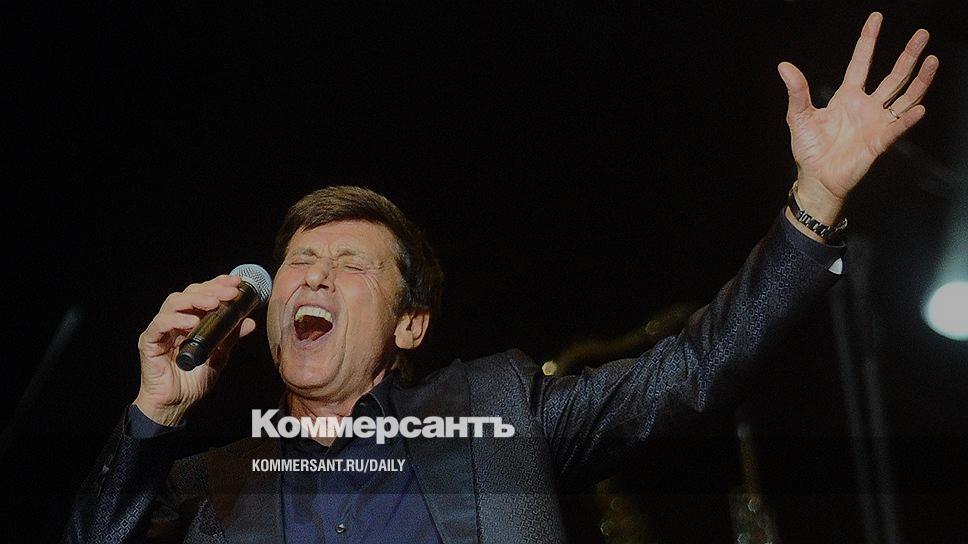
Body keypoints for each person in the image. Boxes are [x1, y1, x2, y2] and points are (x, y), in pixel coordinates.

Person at [63, 12, 938, 544]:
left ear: (411, 322)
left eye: (348, 265)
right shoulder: (213, 482)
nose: (312, 279)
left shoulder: (501, 412)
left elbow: (692, 372)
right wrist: (153, 415)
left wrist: (816, 200)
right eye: (298, 264)